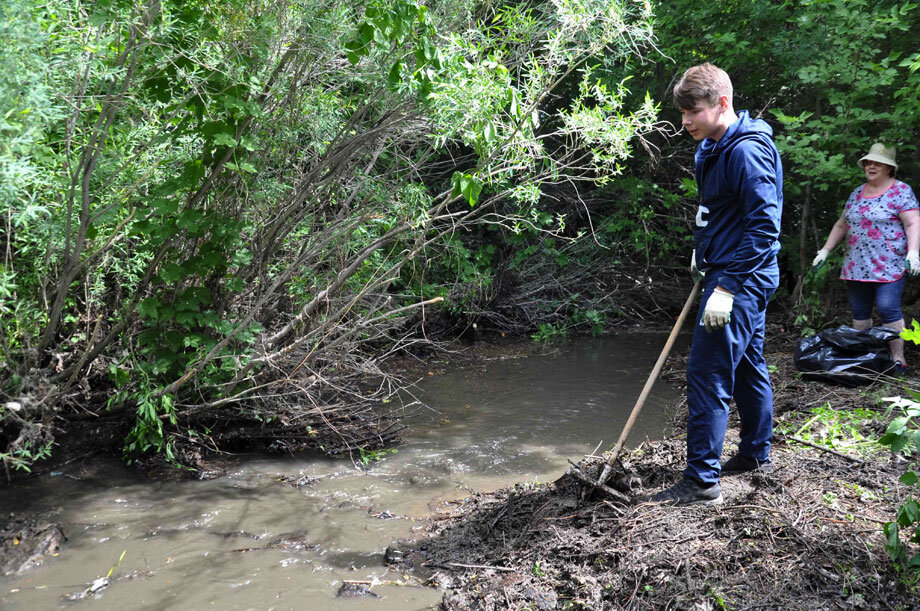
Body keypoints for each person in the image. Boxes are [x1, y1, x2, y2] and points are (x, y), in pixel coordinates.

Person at [651, 63, 783, 506]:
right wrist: (701, 250)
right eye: (682, 111)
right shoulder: (711, 147)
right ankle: (755, 455)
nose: (684, 120)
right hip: (724, 268)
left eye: (693, 110)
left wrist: (726, 286)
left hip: (740, 279)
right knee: (748, 365)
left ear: (722, 103)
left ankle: (702, 480)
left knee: (707, 373)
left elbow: (765, 228)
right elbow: (720, 211)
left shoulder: (746, 152)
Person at [811, 143, 920, 374]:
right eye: (868, 162)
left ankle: (898, 359)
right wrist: (825, 251)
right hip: (856, 264)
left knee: (888, 307)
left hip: (889, 263)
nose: (871, 166)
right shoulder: (856, 193)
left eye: (877, 163)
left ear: (889, 168)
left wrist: (913, 252)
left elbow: (913, 223)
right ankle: (865, 357)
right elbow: (842, 224)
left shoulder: (901, 191)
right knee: (859, 312)